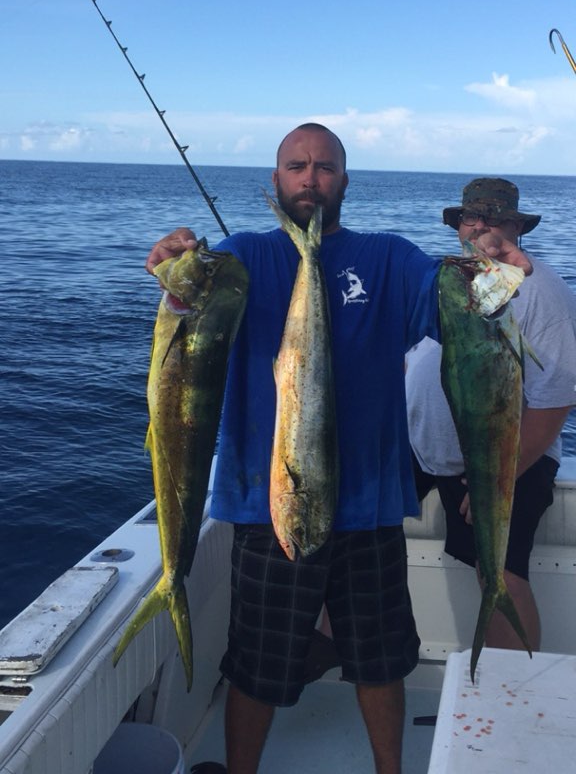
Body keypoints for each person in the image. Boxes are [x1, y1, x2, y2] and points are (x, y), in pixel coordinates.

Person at [146, 129, 531, 774]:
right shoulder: (237, 260)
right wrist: (174, 270)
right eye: (295, 167)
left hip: (369, 507)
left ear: (345, 181)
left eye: (325, 168)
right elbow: (184, 317)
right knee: (256, 666)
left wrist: (485, 267)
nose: (310, 179)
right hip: (267, 505)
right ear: (275, 180)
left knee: (380, 663)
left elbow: (455, 300)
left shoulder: (388, 259)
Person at [407, 177, 576, 656]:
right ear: (458, 224)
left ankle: (512, 691)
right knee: (351, 523)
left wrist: (501, 475)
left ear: (517, 228)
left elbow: (555, 401)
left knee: (499, 571)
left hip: (505, 456)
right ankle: (338, 650)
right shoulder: (447, 279)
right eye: (471, 217)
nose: (481, 227)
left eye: (496, 218)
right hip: (425, 446)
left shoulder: (542, 293)